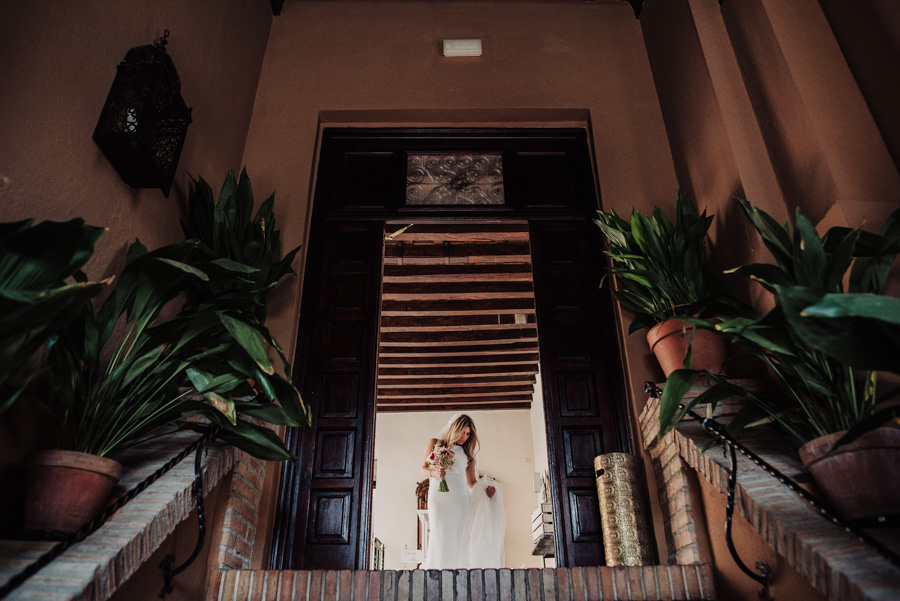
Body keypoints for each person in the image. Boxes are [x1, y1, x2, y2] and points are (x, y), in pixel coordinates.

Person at [420, 413, 496, 569]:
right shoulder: (435, 443)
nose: (465, 437)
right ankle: (436, 572)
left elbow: (471, 482)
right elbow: (423, 469)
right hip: (438, 498)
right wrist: (434, 473)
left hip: (460, 499)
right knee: (438, 533)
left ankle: (457, 573)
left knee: (458, 536)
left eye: (468, 434)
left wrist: (485, 490)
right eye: (463, 432)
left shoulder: (468, 453)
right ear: (455, 429)